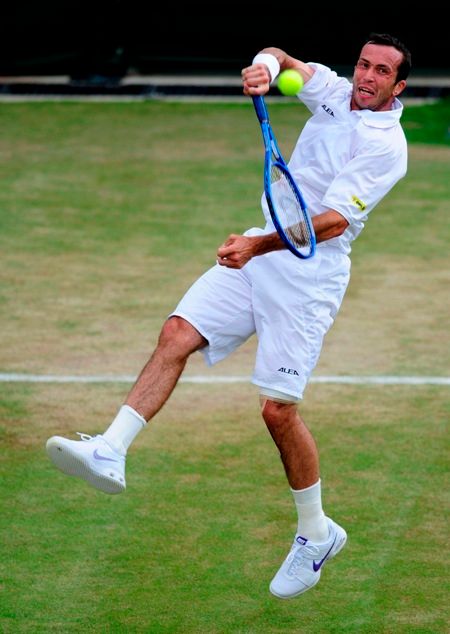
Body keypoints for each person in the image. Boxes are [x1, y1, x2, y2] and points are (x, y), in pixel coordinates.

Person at [46, 33, 411, 599]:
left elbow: (333, 222)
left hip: (309, 274)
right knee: (177, 333)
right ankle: (110, 449)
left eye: (381, 71)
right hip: (261, 249)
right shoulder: (336, 93)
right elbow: (282, 57)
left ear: (398, 85)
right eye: (364, 63)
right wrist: (264, 69)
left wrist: (256, 245)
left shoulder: (389, 147)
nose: (367, 76)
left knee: (277, 412)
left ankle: (316, 533)